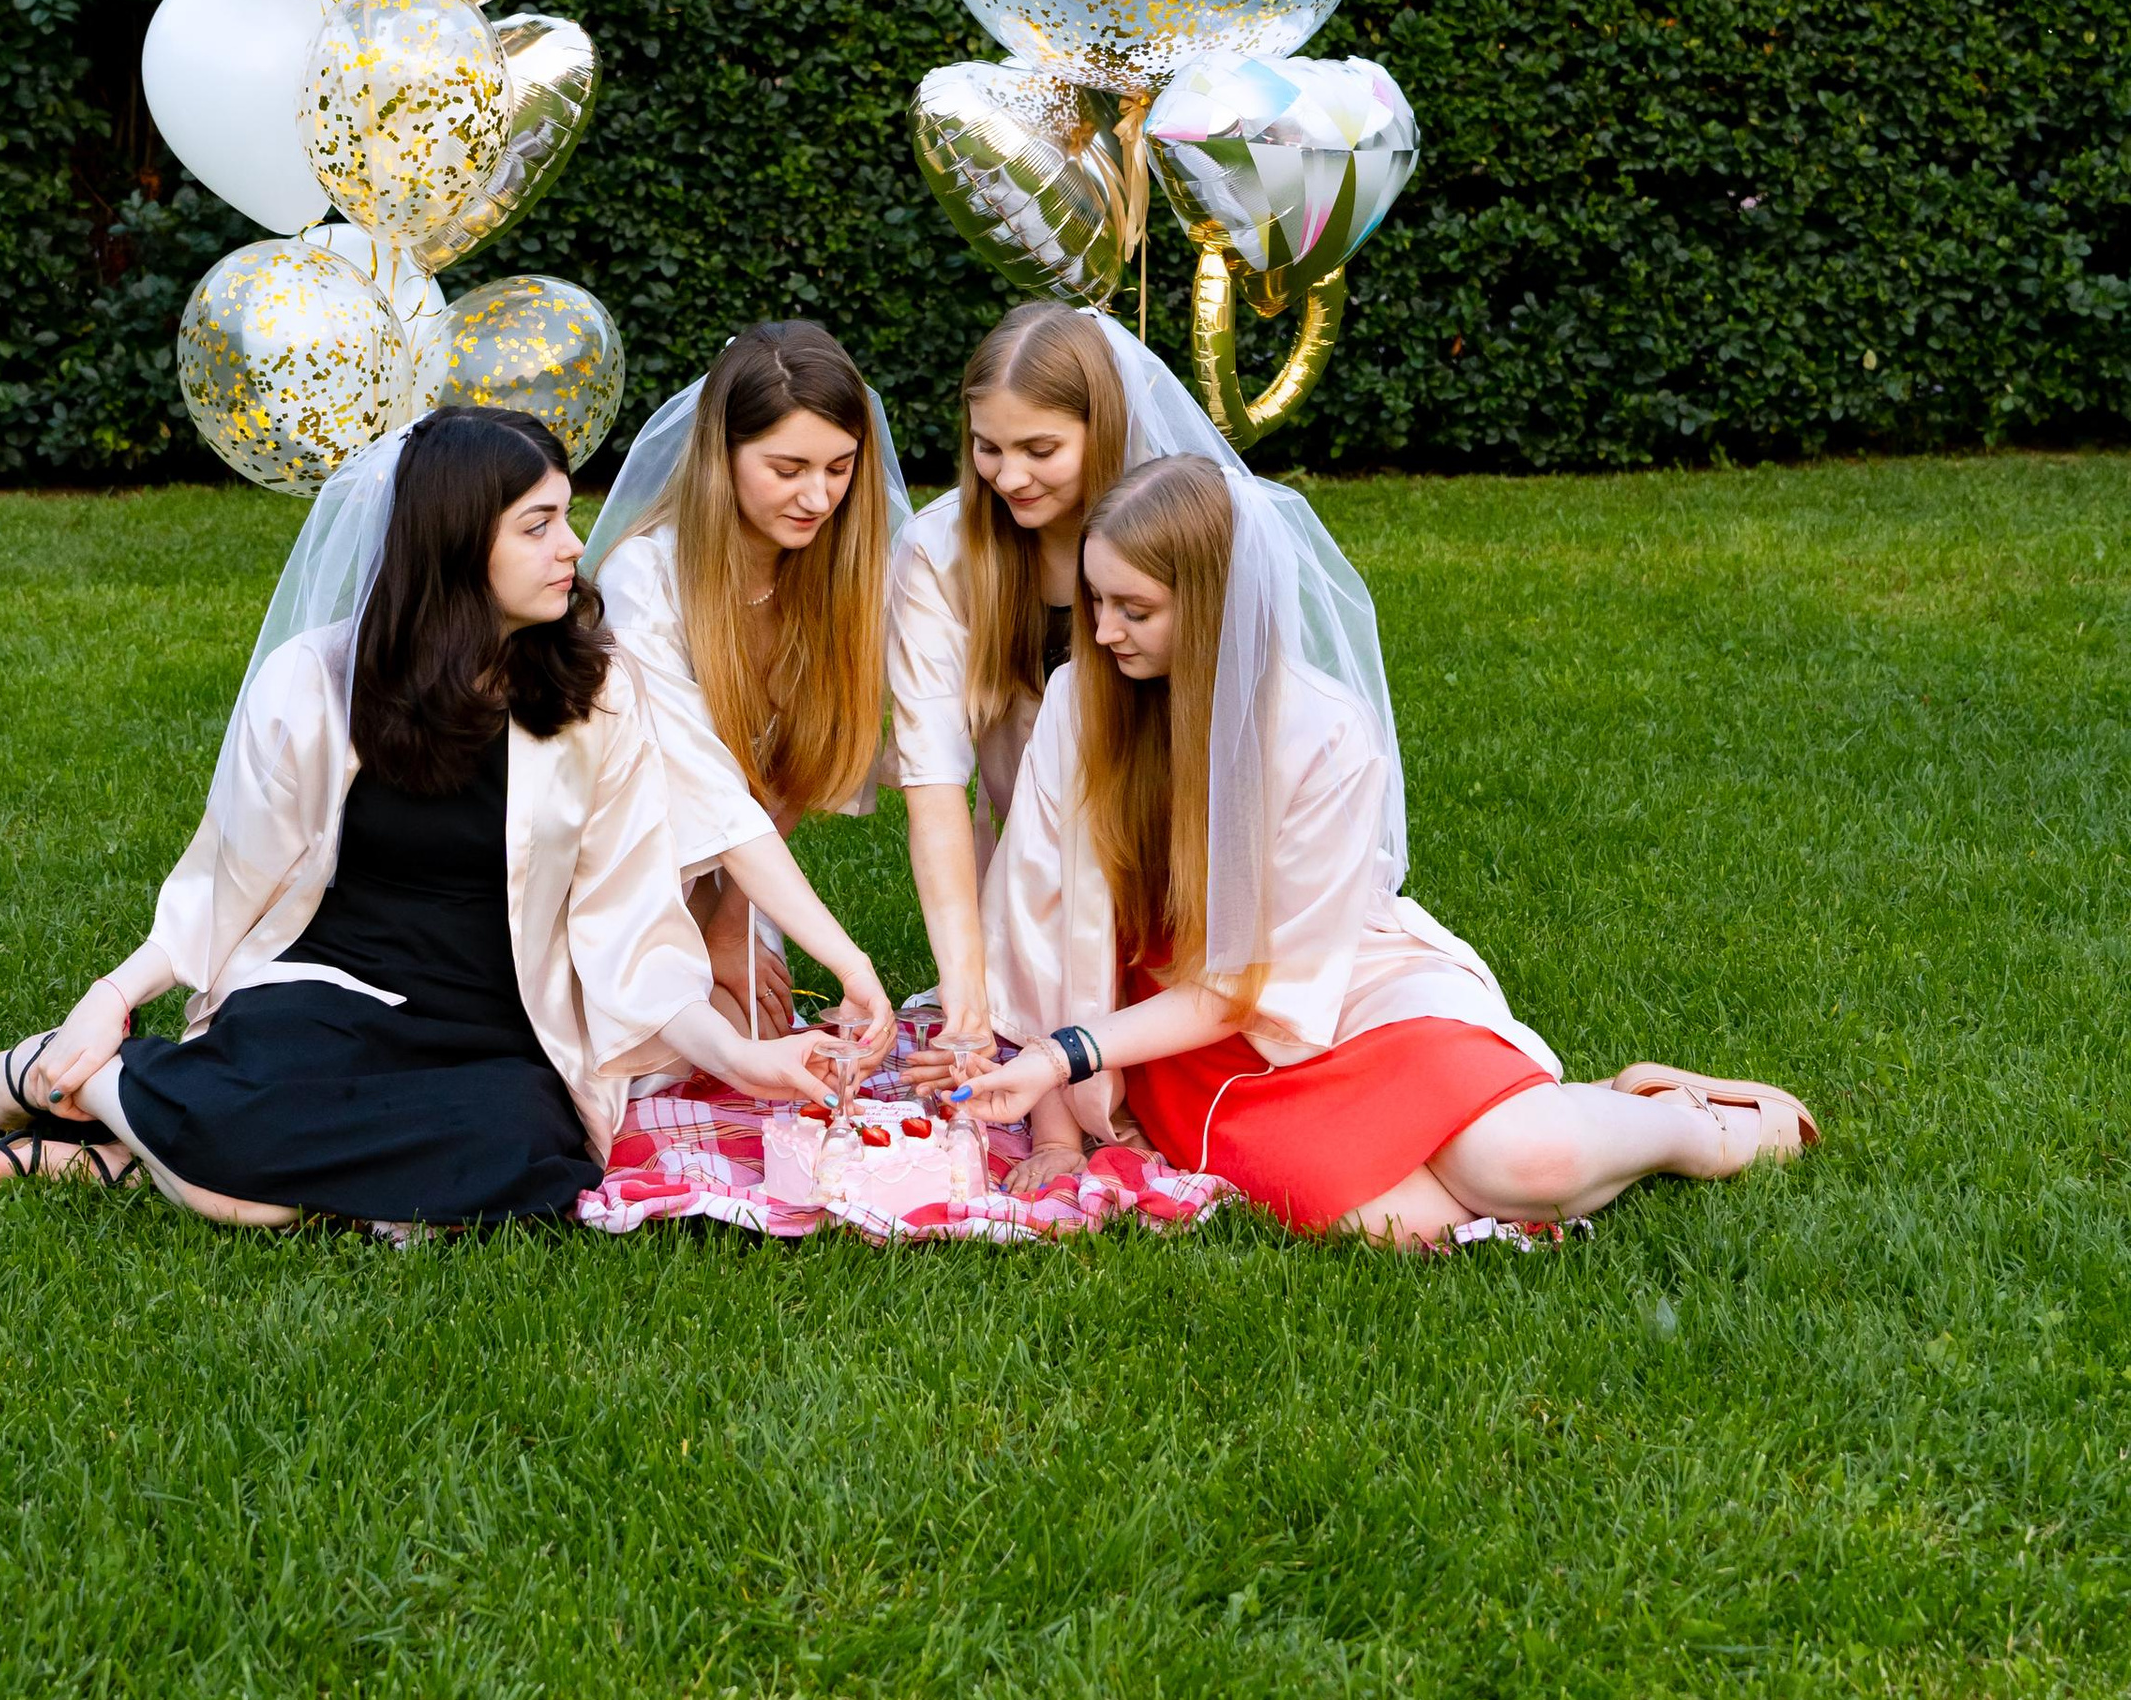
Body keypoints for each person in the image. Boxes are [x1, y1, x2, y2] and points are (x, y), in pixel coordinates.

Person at [0, 410, 836, 1227]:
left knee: (525, 1157)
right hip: (326, 992)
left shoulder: (595, 696)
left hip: (494, 1026)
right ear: (456, 542)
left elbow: (629, 930)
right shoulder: (316, 682)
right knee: (258, 1166)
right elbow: (226, 880)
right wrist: (112, 998)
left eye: (566, 516)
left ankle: (121, 1136)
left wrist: (738, 1057)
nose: (572, 546)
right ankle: (82, 1074)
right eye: (537, 526)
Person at [957, 452, 1815, 1245]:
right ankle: (1561, 1115)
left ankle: (1693, 1127)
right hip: (1177, 1042)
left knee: (1530, 1168)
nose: (1104, 631)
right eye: (1095, 601)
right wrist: (1057, 1129)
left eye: (1135, 610)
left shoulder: (1323, 733)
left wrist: (1061, 1056)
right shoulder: (1079, 704)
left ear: (1217, 607)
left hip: (1331, 990)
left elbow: (1251, 985)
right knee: (1401, 1226)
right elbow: (1040, 917)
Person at [888, 300, 1273, 1064]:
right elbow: (932, 780)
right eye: (988, 448)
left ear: (1105, 429)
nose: (1010, 476)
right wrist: (967, 990)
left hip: (1181, 872)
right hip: (1042, 880)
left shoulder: (1181, 529)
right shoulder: (938, 551)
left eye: (1041, 449)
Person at [583, 320, 903, 1058]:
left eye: (839, 467)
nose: (818, 497)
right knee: (665, 1057)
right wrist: (847, 960)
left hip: (741, 872)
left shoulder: (843, 575)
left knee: (754, 1032)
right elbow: (698, 789)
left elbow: (795, 769)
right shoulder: (647, 579)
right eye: (787, 469)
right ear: (720, 456)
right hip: (630, 865)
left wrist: (731, 927)